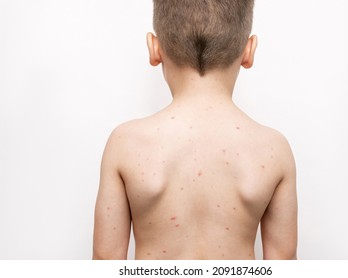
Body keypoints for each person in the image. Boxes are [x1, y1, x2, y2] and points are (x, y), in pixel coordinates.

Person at [93, 0, 297, 260]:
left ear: (154, 49)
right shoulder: (272, 150)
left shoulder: (126, 144)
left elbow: (104, 263)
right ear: (249, 51)